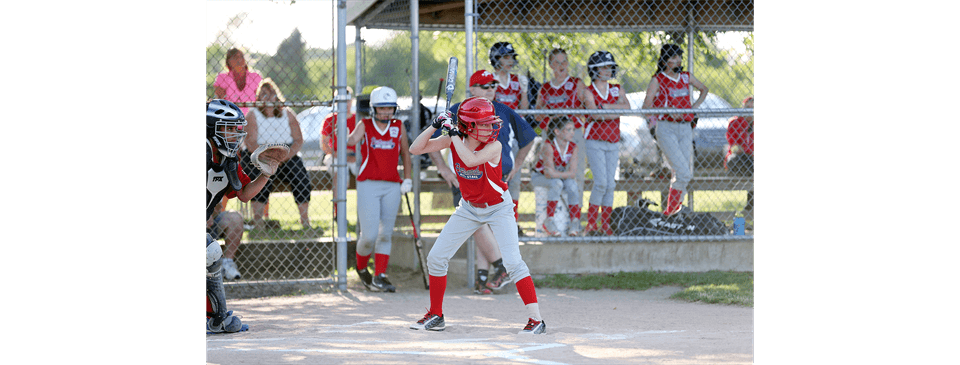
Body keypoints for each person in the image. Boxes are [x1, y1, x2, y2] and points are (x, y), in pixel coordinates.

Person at [409, 96, 547, 335]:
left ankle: (536, 320)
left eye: (490, 122)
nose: (489, 127)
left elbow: (470, 160)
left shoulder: (494, 146)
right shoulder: (454, 139)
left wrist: (453, 133)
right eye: (482, 124)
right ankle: (436, 314)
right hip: (469, 208)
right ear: (467, 126)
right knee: (437, 258)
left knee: (513, 262)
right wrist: (435, 125)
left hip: (498, 207)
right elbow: (415, 148)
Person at [426, 70, 537, 295]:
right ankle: (500, 267)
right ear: (472, 89)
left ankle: (483, 277)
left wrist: (517, 163)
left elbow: (528, 137)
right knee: (477, 223)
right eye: (485, 86)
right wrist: (443, 168)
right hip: (468, 178)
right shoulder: (458, 110)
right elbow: (431, 139)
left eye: (493, 85)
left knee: (487, 226)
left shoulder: (502, 110)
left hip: (497, 179)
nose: (490, 90)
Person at [206, 99, 274, 334]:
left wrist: (266, 174)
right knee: (209, 250)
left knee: (210, 254)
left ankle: (214, 319)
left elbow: (244, 193)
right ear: (211, 128)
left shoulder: (228, 159)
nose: (235, 134)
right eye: (228, 128)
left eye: (236, 129)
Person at [345, 86, 413, 293]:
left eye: (389, 108)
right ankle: (361, 267)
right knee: (369, 235)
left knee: (385, 234)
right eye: (381, 108)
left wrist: (407, 179)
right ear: (373, 108)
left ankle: (380, 275)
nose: (386, 112)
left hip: (392, 184)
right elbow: (351, 140)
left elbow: (405, 153)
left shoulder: (398, 126)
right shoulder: (365, 124)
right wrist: (342, 134)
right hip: (368, 183)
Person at [641, 44, 710, 217]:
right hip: (666, 127)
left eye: (679, 56)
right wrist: (666, 110)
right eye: (673, 57)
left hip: (685, 127)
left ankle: (673, 214)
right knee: (683, 173)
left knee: (682, 174)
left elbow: (704, 89)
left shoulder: (686, 76)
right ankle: (670, 213)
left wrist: (693, 108)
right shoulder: (658, 79)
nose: (678, 60)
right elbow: (646, 107)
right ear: (665, 61)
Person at [242, 79, 314, 231]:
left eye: (271, 94)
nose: (268, 97)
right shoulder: (253, 114)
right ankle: (258, 221)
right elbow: (251, 142)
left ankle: (305, 220)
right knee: (258, 175)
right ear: (258, 97)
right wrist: (268, 157)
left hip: (285, 156)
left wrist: (282, 157)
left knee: (300, 174)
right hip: (261, 156)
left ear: (276, 95)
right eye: (264, 94)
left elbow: (298, 140)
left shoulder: (287, 113)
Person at [536, 48, 589, 230]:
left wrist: (573, 114)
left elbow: (587, 106)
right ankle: (552, 218)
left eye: (564, 61)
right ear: (551, 65)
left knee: (577, 174)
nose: (561, 65)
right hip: (554, 134)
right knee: (552, 173)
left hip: (573, 133)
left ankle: (575, 219)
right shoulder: (545, 88)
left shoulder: (576, 83)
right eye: (557, 62)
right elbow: (537, 114)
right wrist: (549, 118)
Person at [582, 51, 631, 235]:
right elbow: (595, 114)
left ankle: (606, 225)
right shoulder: (588, 91)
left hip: (612, 140)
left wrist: (607, 107)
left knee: (610, 185)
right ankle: (591, 224)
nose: (608, 70)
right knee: (601, 183)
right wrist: (614, 110)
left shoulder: (617, 89)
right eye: (604, 67)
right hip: (594, 140)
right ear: (594, 70)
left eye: (610, 67)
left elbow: (627, 108)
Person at [530, 116, 580, 237]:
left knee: (572, 184)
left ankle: (574, 221)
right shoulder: (548, 146)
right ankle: (549, 220)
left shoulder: (573, 147)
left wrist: (556, 174)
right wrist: (562, 174)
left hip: (558, 176)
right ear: (557, 131)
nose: (572, 133)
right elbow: (548, 174)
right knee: (557, 183)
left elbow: (573, 173)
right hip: (539, 176)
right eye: (568, 129)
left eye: (573, 129)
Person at [320, 87, 358, 222]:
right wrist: (339, 154)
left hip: (355, 156)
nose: (345, 104)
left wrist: (355, 155)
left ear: (351, 101)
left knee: (366, 173)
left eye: (347, 101)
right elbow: (325, 145)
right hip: (335, 155)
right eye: (341, 101)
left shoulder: (357, 119)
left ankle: (366, 212)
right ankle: (339, 213)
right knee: (339, 172)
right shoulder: (330, 119)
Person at [725, 96, 754, 211]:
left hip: (752, 161)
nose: (750, 111)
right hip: (740, 159)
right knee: (735, 160)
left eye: (753, 108)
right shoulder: (735, 123)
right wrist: (749, 151)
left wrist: (747, 150)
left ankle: (751, 205)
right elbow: (735, 148)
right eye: (747, 108)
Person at [214, 48, 262, 116]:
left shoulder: (255, 76)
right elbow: (220, 101)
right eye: (235, 57)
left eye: (241, 56)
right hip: (230, 117)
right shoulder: (222, 78)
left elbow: (260, 98)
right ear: (228, 61)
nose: (239, 59)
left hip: (252, 118)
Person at [489, 41, 530, 110]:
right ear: (495, 59)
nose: (511, 61)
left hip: (514, 116)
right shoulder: (488, 79)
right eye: (506, 58)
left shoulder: (517, 79)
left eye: (512, 57)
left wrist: (524, 92)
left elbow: (524, 111)